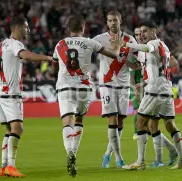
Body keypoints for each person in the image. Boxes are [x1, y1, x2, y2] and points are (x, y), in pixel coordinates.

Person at [52, 15, 120, 177]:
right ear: (83, 28)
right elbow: (113, 55)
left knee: (67, 121)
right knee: (79, 120)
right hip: (84, 87)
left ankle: (70, 152)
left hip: (65, 87)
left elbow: (55, 64)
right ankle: (74, 151)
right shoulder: (90, 42)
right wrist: (117, 47)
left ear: (69, 29)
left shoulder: (60, 44)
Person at [0, 17, 53, 177]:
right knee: (18, 128)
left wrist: (0, 83)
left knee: (10, 130)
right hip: (11, 94)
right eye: (26, 27)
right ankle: (11, 165)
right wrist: (48, 58)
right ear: (17, 28)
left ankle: (3, 167)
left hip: (0, 93)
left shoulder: (1, 45)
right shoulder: (16, 44)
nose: (28, 30)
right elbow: (26, 56)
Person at [122, 21, 182, 170]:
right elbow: (158, 69)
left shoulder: (154, 43)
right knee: (170, 125)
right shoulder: (163, 45)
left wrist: (128, 45)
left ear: (153, 31)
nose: (142, 34)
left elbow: (147, 47)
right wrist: (144, 83)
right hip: (166, 90)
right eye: (140, 32)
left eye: (145, 31)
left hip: (155, 91)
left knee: (140, 122)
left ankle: (140, 161)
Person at [93, 10, 139, 168]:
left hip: (124, 85)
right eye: (110, 20)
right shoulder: (99, 39)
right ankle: (119, 159)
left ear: (120, 21)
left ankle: (107, 153)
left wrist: (126, 60)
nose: (113, 23)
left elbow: (137, 64)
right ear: (107, 23)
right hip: (107, 84)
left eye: (115, 20)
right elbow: (86, 49)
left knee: (120, 121)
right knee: (111, 119)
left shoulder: (130, 40)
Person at [131, 24, 178, 167]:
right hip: (151, 86)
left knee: (150, 124)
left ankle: (154, 160)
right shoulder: (141, 51)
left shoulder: (148, 47)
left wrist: (161, 67)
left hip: (155, 88)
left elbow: (173, 62)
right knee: (153, 125)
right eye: (137, 34)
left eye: (142, 33)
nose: (139, 36)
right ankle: (171, 152)